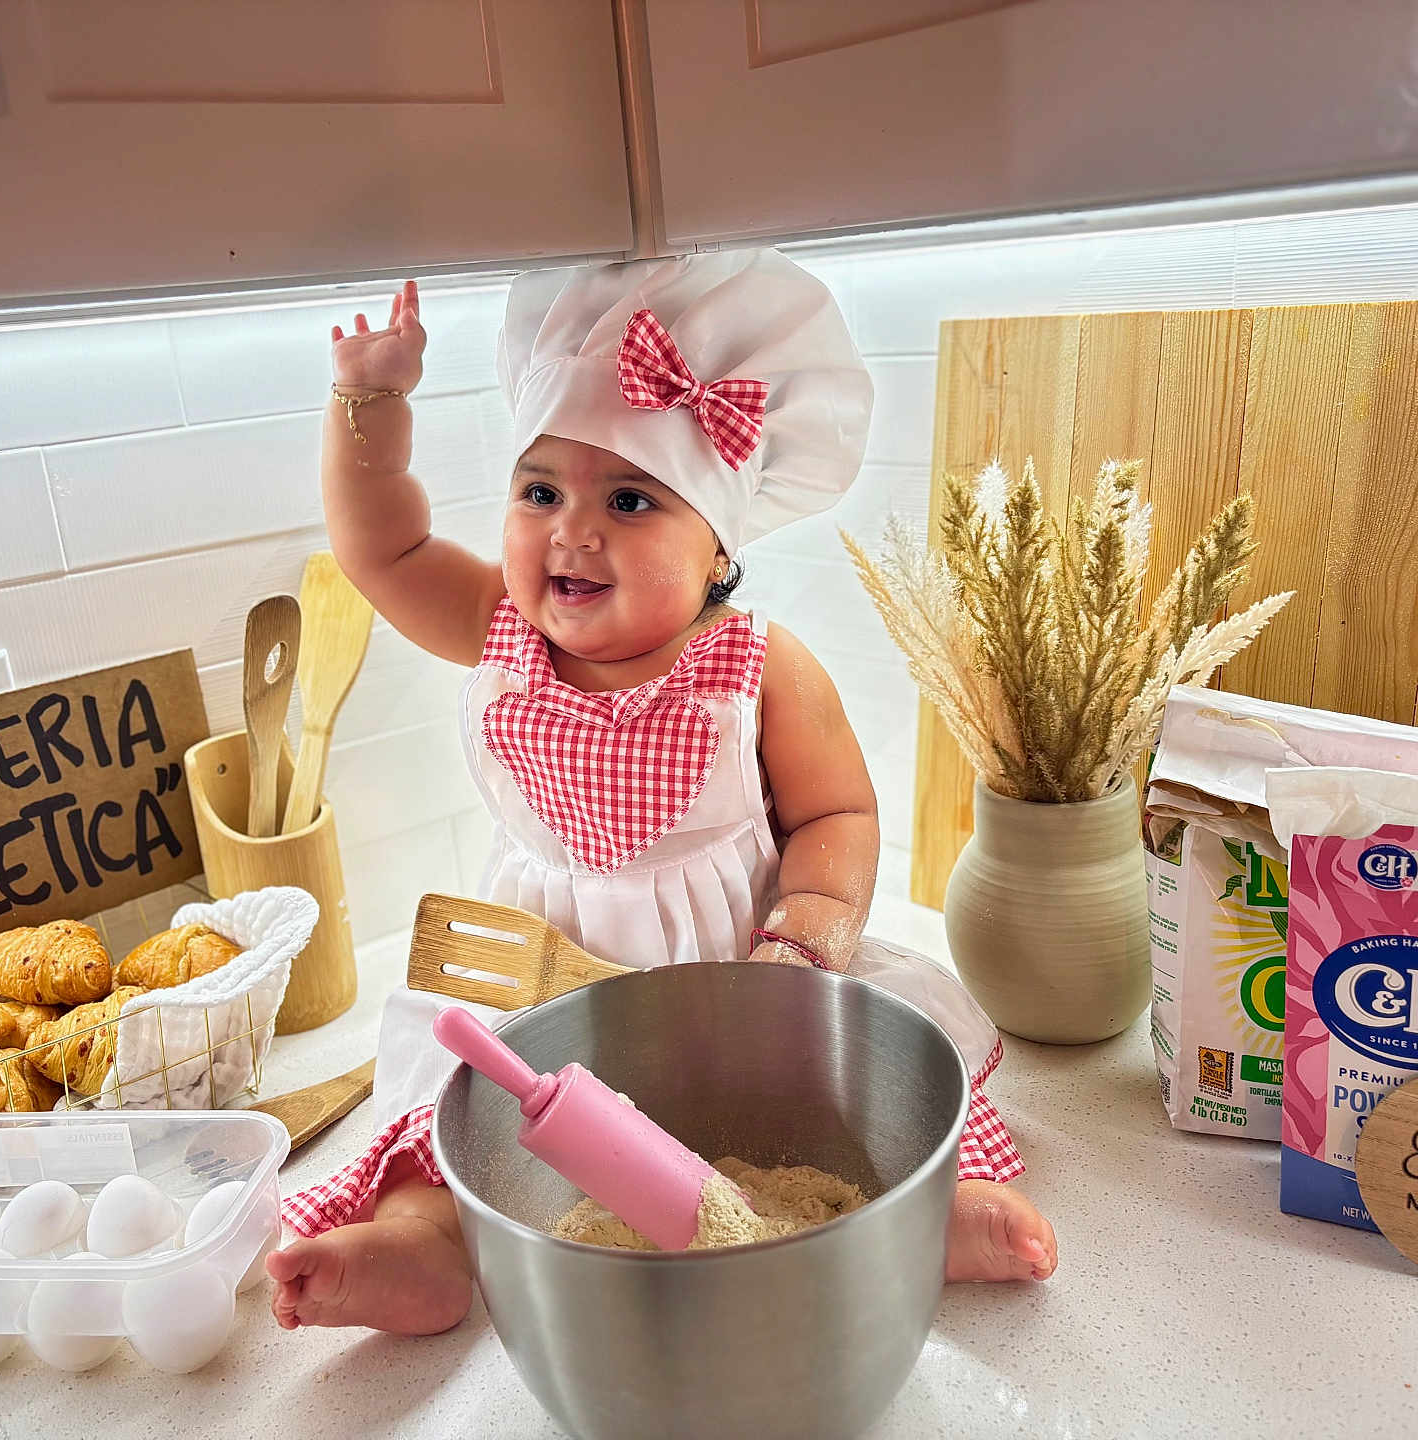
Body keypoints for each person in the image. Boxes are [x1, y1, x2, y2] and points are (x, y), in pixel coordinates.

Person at [268, 252, 1058, 1335]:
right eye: (538, 491)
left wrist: (805, 943)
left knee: (852, 1092)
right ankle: (426, 1246)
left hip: (737, 990)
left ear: (719, 544)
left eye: (631, 500)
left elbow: (837, 816)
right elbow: (380, 544)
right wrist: (370, 400)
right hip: (544, 990)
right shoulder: (497, 623)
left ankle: (931, 1220)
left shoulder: (758, 667)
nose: (570, 531)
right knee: (462, 1102)